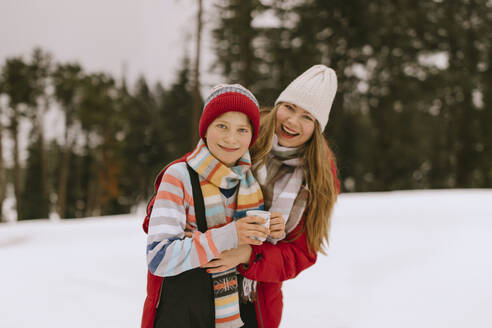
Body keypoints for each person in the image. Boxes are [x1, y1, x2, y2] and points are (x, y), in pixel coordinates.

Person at [202, 65, 341, 328]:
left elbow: (302, 253)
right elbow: (193, 172)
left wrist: (248, 255)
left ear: (318, 126)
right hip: (201, 270)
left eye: (307, 117)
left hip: (255, 299)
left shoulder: (319, 176)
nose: (292, 122)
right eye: (289, 107)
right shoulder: (245, 134)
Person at [141, 84, 285, 328]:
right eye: (222, 126)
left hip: (239, 317)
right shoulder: (179, 177)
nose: (231, 138)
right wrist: (230, 235)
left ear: (252, 136)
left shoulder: (250, 182)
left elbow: (253, 254)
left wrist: (270, 231)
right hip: (183, 316)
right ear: (205, 129)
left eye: (242, 130)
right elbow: (159, 257)